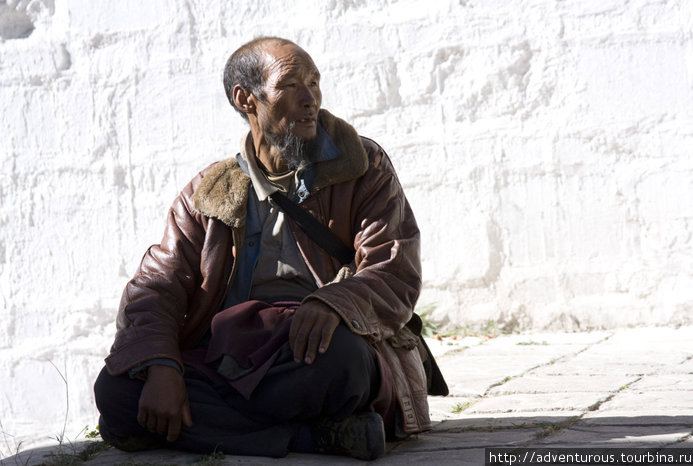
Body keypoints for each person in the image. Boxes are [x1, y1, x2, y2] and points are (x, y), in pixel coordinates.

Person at [93, 36, 444, 461]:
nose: (310, 98)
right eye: (290, 85)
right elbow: (155, 288)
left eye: (314, 82)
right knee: (117, 392)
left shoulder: (363, 165)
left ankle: (213, 427)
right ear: (246, 99)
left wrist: (334, 303)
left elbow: (394, 269)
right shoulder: (209, 191)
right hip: (230, 358)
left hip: (316, 349)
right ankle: (310, 438)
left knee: (345, 364)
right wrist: (162, 365)